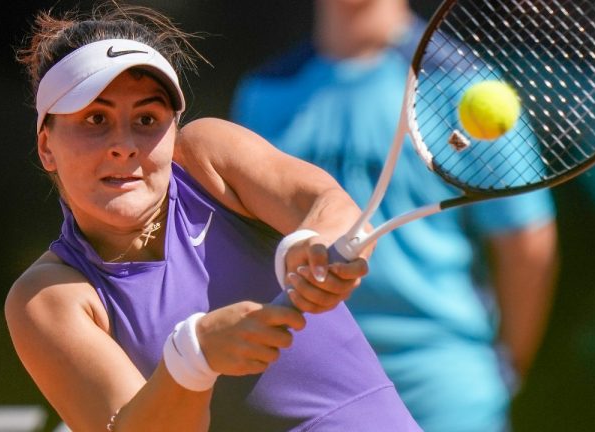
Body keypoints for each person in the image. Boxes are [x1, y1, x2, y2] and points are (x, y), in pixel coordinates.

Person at [4, 2, 421, 431]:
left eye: (147, 118)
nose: (124, 145)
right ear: (46, 147)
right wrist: (194, 357)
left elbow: (324, 203)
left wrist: (316, 244)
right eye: (96, 118)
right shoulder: (47, 299)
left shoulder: (207, 155)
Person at [231, 0, 558, 430]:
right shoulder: (263, 93)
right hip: (312, 385)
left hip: (442, 390)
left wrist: (505, 367)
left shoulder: (463, 85)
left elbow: (528, 246)